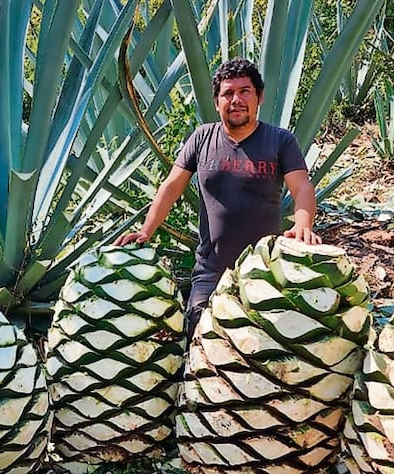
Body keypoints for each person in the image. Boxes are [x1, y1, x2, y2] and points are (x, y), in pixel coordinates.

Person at [115, 57, 320, 339]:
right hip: (211, 270)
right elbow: (171, 186)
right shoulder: (201, 139)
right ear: (216, 101)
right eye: (228, 93)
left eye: (245, 91)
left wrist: (303, 224)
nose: (236, 100)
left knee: (263, 350)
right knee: (198, 339)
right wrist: (146, 230)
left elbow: (302, 188)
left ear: (259, 97)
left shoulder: (280, 141)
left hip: (265, 269)